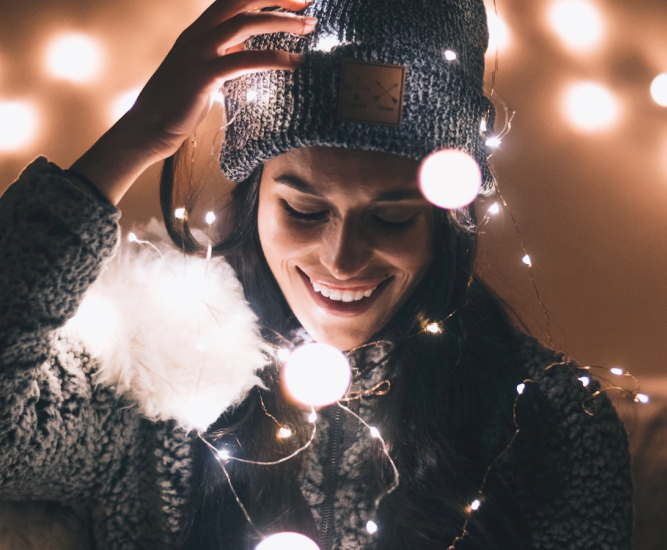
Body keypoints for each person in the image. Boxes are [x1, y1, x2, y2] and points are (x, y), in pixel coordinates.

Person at [0, 0, 633, 549]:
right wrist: (133, 139)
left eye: (391, 219)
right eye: (304, 210)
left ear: (445, 220)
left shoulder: (547, 420)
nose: (342, 260)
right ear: (255, 200)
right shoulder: (152, 385)